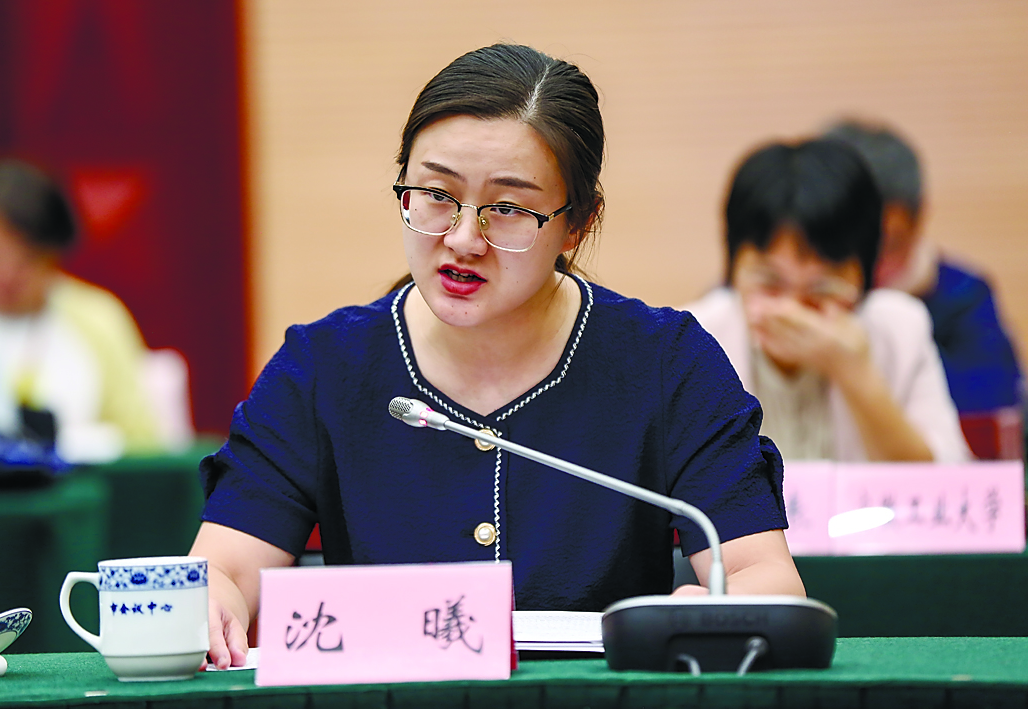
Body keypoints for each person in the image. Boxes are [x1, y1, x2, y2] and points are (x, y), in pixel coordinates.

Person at [192, 43, 804, 670]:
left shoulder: (666, 363)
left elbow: (763, 577)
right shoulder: (324, 368)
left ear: (577, 223)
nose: (463, 239)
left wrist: (718, 608)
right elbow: (224, 572)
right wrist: (213, 602)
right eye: (436, 194)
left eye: (507, 209)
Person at [683, 138, 970, 463]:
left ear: (864, 276)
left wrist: (856, 373)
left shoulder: (901, 329)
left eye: (822, 289)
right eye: (770, 283)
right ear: (733, 271)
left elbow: (947, 480)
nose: (792, 309)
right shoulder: (690, 342)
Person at [824, 119, 1023, 449]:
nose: (869, 265)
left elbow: (993, 409)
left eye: (888, 244)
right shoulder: (775, 299)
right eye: (849, 244)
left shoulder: (963, 294)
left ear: (918, 220)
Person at [0, 158, 160, 460]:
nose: (5, 274)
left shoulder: (98, 320)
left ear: (54, 255)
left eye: (25, 260)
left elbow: (143, 442)